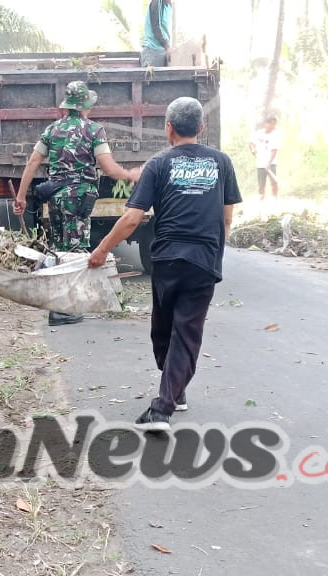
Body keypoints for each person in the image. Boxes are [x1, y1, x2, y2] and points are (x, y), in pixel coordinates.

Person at [88, 97, 241, 432]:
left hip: (173, 260)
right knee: (168, 330)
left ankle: (161, 410)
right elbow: (227, 216)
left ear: (168, 127)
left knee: (178, 331)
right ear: (200, 128)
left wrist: (100, 249)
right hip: (193, 259)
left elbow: (131, 220)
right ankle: (176, 388)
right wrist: (216, 249)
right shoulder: (221, 162)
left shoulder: (159, 164)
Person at [14, 81, 139, 326]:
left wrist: (20, 196)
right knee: (77, 250)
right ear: (85, 107)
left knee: (60, 246)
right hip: (79, 197)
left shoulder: (52, 130)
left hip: (56, 196)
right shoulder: (93, 130)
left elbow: (32, 162)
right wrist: (129, 174)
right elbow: (107, 166)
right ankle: (64, 309)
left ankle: (59, 306)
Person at [249, 115, 280, 200]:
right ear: (266, 124)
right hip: (260, 164)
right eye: (271, 124)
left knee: (274, 182)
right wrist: (253, 150)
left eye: (274, 124)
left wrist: (269, 163)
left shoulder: (275, 135)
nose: (273, 126)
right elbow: (251, 143)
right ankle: (261, 201)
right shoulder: (258, 133)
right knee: (261, 184)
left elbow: (274, 150)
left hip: (271, 163)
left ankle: (275, 200)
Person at [141, 0, 174, 67]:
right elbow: (156, 28)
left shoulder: (169, 6)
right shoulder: (156, 2)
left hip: (163, 52)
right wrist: (167, 47)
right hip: (152, 51)